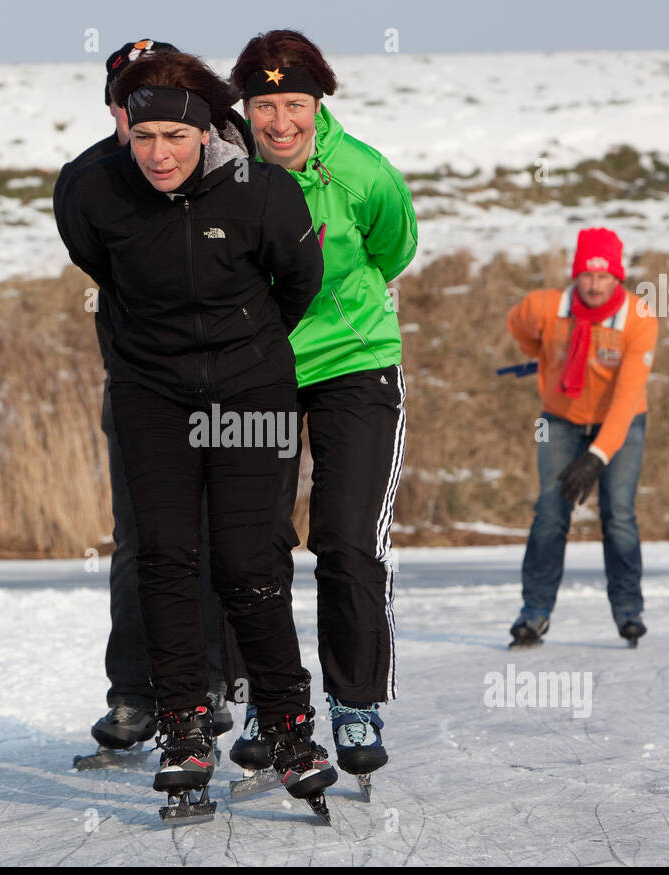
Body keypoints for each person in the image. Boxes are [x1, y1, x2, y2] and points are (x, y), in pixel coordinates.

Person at [55, 50, 336, 810]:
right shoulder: (92, 190)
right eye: (142, 137)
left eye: (172, 138)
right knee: (164, 557)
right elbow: (99, 267)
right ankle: (182, 726)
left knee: (250, 561)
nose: (158, 154)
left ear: (204, 132)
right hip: (153, 396)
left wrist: (245, 347)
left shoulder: (261, 190)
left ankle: (287, 725)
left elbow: (299, 280)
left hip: (251, 392)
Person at [226, 30, 418, 781]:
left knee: (345, 539)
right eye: (264, 104)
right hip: (257, 373)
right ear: (244, 107)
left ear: (318, 103)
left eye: (294, 103)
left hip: (355, 365)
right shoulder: (228, 174)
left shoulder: (363, 174)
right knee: (253, 542)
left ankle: (355, 701)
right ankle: (267, 702)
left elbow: (393, 249)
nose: (279, 121)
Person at [53, 40, 245, 762]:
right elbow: (94, 261)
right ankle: (135, 692)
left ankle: (229, 681)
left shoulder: (235, 167)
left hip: (234, 382)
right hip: (140, 382)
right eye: (123, 100)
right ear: (115, 109)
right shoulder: (88, 182)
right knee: (142, 538)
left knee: (228, 536)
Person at [505, 227, 658, 649]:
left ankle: (629, 611)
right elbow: (516, 325)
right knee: (551, 513)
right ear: (576, 274)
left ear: (617, 278)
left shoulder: (638, 319)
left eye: (604, 277)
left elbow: (627, 400)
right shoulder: (545, 307)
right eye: (587, 276)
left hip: (620, 424)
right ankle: (534, 613)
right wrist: (538, 353)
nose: (594, 285)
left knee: (619, 515)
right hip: (560, 419)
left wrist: (595, 457)